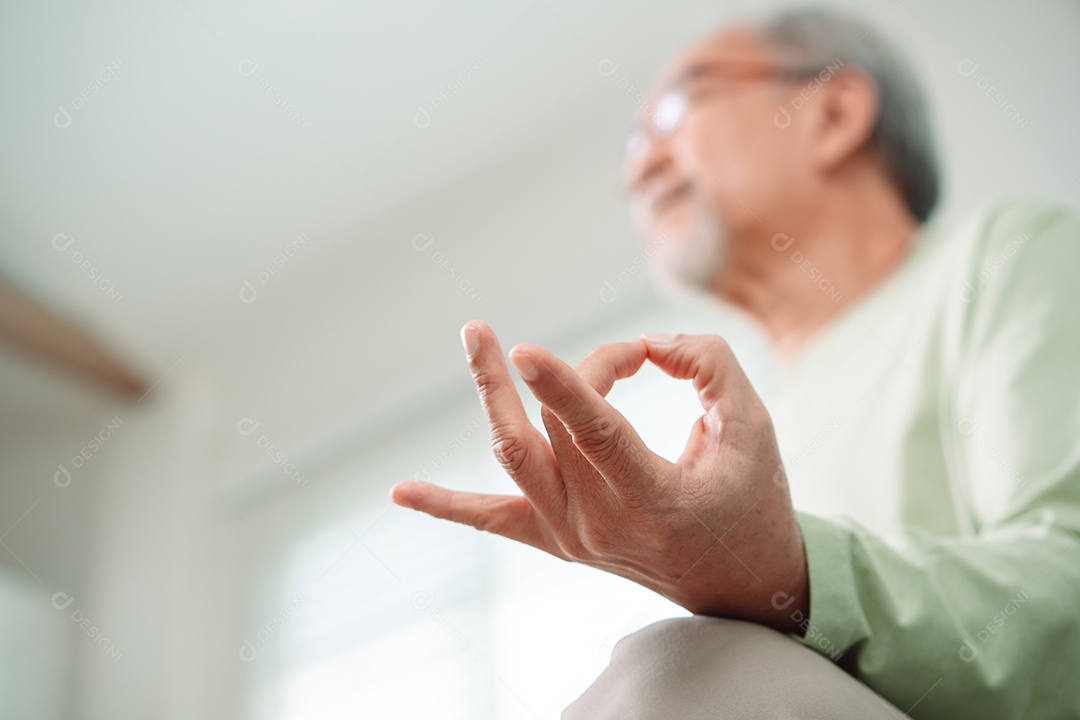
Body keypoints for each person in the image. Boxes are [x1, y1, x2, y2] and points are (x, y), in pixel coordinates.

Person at [390, 8, 1080, 719]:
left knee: (681, 668)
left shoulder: (1007, 253)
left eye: (675, 110)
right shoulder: (756, 427)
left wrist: (789, 570)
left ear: (834, 113)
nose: (641, 167)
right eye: (633, 146)